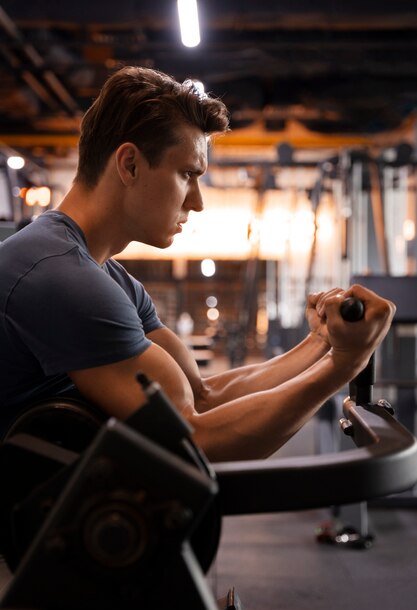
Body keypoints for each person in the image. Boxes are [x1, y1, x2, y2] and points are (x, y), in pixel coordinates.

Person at [0, 66, 395, 462]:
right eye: (188, 174)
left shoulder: (105, 276)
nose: (198, 201)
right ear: (130, 165)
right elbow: (198, 439)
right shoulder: (59, 276)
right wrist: (346, 362)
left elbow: (204, 396)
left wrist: (322, 343)